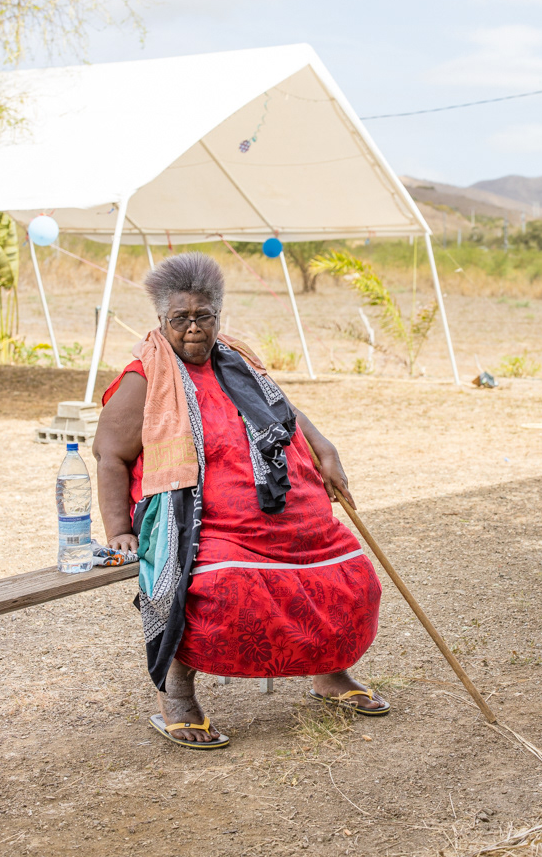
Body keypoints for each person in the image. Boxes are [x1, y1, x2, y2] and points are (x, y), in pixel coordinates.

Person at [93, 251, 387, 749]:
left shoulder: (239, 360)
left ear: (218, 316)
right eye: (180, 318)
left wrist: (325, 450)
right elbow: (109, 456)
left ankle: (329, 673)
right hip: (203, 522)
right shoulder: (145, 377)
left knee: (351, 579)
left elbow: (285, 411)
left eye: (203, 316)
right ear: (161, 320)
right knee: (221, 589)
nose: (193, 328)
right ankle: (176, 694)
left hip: (288, 512)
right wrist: (119, 530)